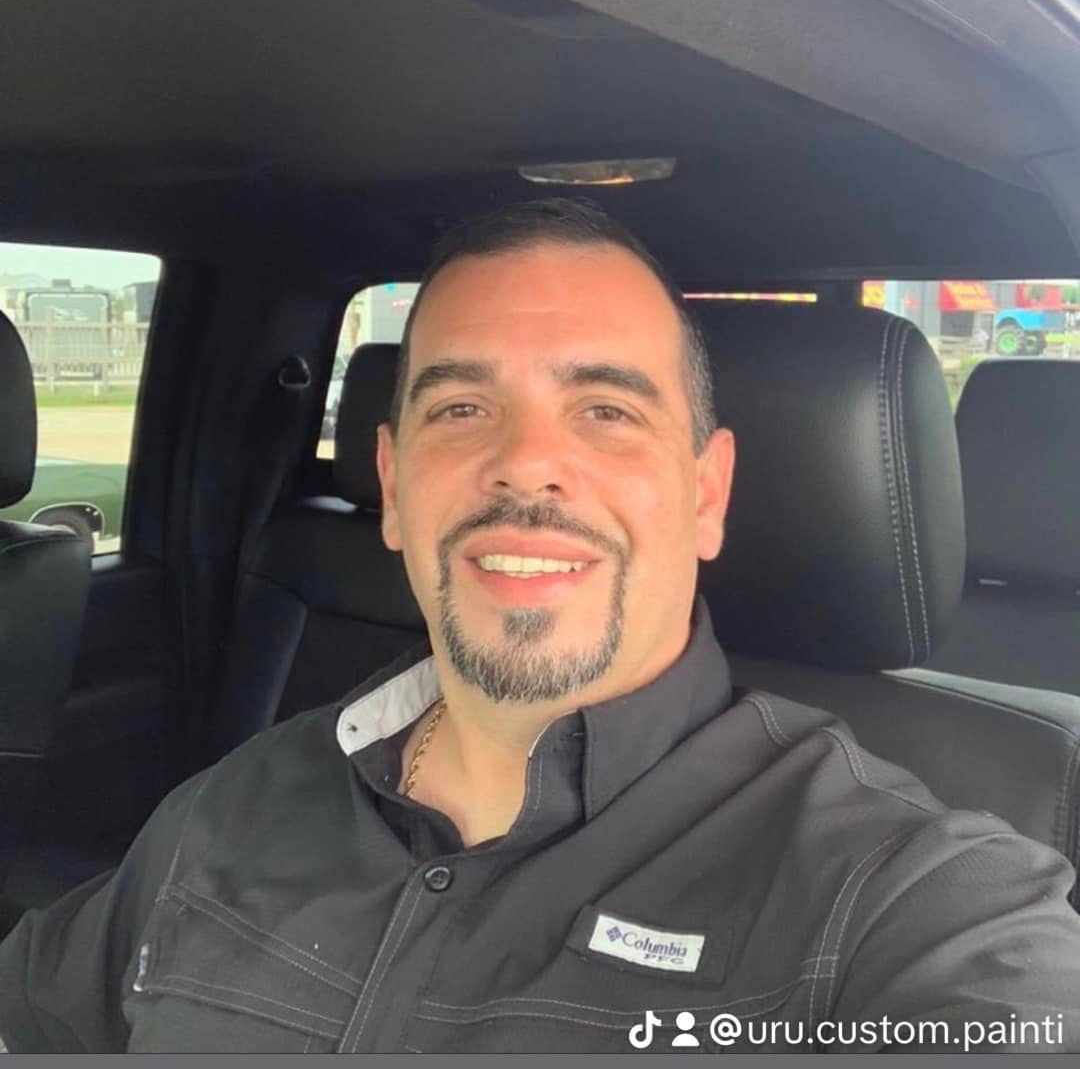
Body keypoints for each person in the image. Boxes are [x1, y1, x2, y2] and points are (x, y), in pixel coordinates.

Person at [1, 198, 1079, 1053]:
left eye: (606, 409)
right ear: (392, 481)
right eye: (461, 407)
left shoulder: (903, 897)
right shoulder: (231, 806)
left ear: (707, 494)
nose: (524, 460)